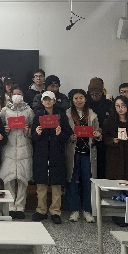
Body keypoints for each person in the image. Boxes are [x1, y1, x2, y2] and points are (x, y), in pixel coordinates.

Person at [31, 91, 72, 224]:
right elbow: (33, 137)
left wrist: (60, 134)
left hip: (56, 153)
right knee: (41, 184)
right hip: (41, 154)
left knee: (56, 184)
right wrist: (37, 133)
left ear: (54, 101)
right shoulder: (38, 116)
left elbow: (68, 135)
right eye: (45, 99)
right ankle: (41, 210)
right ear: (42, 101)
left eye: (50, 99)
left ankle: (55, 211)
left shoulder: (61, 116)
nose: (47, 102)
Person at [65, 89, 101, 223]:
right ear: (72, 100)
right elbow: (63, 132)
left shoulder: (92, 114)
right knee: (72, 181)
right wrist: (70, 137)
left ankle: (87, 210)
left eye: (81, 98)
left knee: (88, 181)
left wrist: (97, 134)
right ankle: (74, 210)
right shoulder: (67, 114)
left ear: (85, 99)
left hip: (88, 153)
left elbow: (98, 130)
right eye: (76, 98)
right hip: (73, 152)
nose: (79, 100)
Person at [0, 85, 34, 219]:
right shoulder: (5, 110)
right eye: (15, 93)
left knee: (22, 179)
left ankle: (20, 207)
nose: (17, 96)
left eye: (19, 93)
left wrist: (28, 131)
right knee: (8, 178)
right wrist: (5, 130)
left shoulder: (29, 111)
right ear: (10, 95)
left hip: (24, 149)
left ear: (23, 95)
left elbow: (34, 128)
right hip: (9, 148)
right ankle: (9, 206)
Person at [86, 77, 113, 179]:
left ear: (102, 92)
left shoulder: (109, 104)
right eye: (92, 94)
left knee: (103, 168)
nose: (95, 96)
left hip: (105, 140)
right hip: (88, 140)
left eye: (98, 94)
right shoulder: (85, 104)